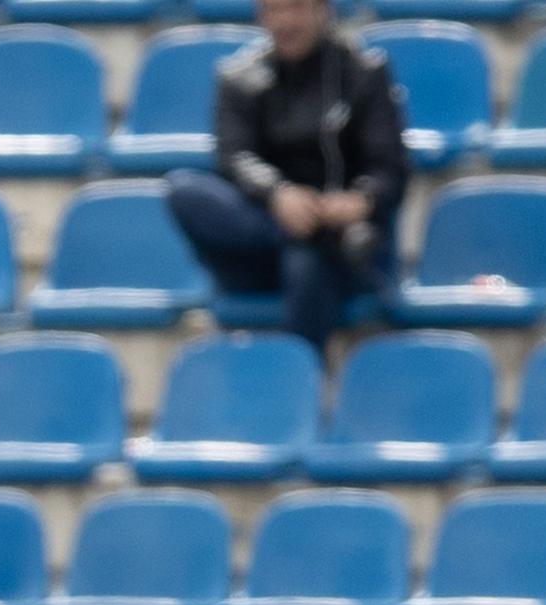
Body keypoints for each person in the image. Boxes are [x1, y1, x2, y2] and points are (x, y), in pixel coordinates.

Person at [165, 0, 409, 351]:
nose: (285, 21)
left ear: (322, 11)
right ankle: (311, 234)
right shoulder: (237, 76)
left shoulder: (364, 72)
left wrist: (361, 199)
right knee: (184, 191)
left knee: (305, 261)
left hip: (340, 252)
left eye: (296, 8)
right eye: (275, 10)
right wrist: (278, 196)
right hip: (257, 241)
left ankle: (298, 386)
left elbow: (390, 168)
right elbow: (234, 158)